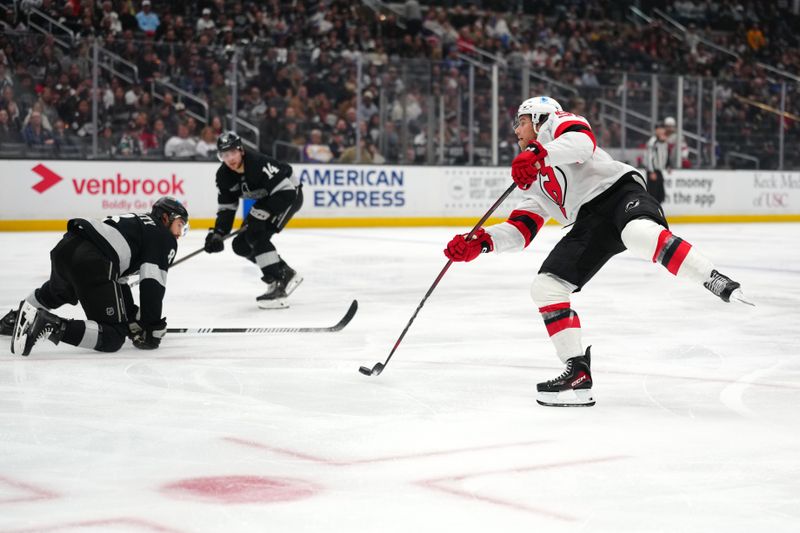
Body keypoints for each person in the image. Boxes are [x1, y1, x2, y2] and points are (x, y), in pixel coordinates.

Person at [444, 96, 751, 408]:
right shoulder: (532, 176)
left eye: (521, 122)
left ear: (538, 119)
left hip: (619, 193)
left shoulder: (557, 124)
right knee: (546, 287)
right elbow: (522, 229)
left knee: (638, 233)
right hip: (590, 221)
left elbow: (582, 143)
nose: (516, 130)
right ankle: (577, 371)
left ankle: (711, 278)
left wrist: (539, 154)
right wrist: (481, 242)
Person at [9, 197, 188, 356]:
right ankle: (50, 325)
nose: (179, 233)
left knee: (58, 293)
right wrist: (151, 326)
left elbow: (118, 282)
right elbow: (152, 283)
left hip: (67, 247)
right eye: (180, 224)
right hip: (94, 260)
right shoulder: (163, 236)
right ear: (166, 218)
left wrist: (131, 316)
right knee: (114, 336)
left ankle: (14, 320)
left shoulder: (140, 224)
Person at [204, 131, 303, 308]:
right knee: (241, 244)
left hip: (288, 195)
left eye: (233, 152)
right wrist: (218, 233)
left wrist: (262, 213)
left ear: (241, 150)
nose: (230, 158)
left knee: (257, 235)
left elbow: (286, 192)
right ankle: (284, 272)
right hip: (268, 199)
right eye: (224, 155)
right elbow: (227, 208)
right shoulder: (224, 176)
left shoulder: (258, 163)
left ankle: (278, 283)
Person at [644, 121, 670, 203]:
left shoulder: (664, 141)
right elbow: (649, 157)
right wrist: (651, 171)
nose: (661, 131)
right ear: (656, 130)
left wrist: (667, 165)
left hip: (659, 170)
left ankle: (656, 209)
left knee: (660, 195)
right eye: (659, 129)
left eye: (662, 129)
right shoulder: (653, 141)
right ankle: (652, 210)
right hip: (653, 171)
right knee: (653, 195)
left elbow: (665, 154)